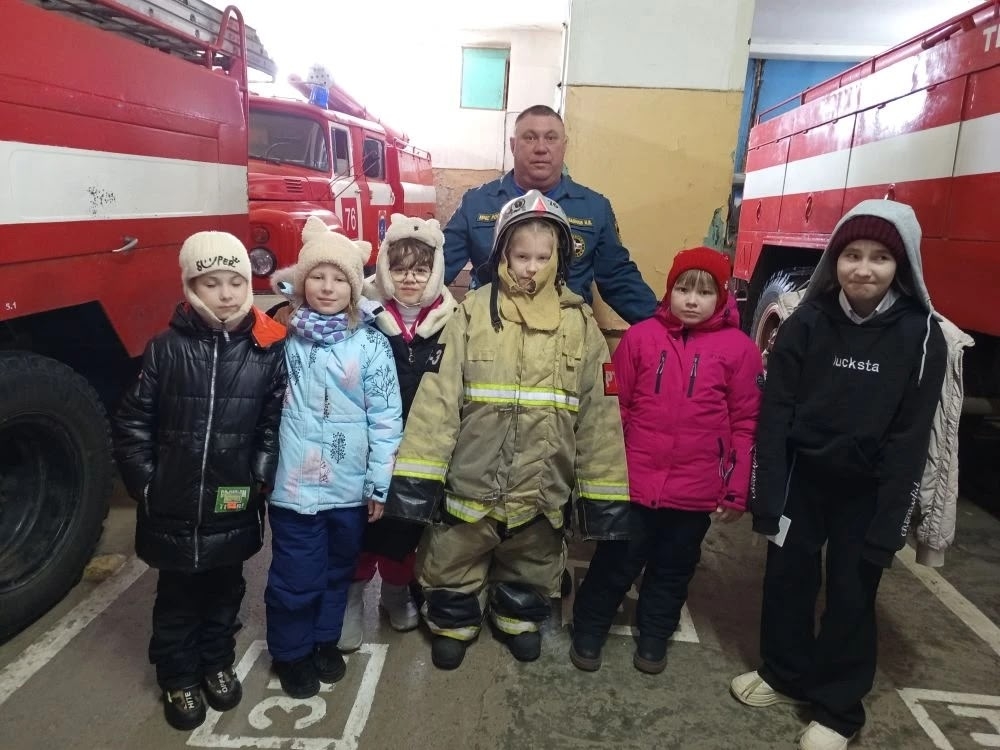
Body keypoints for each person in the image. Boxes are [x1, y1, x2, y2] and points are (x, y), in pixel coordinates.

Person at [730, 200, 947, 750]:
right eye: (852, 255)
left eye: (879, 258)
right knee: (788, 578)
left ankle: (837, 708)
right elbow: (776, 412)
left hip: (867, 490)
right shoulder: (807, 321)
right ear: (834, 259)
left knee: (853, 592)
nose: (863, 269)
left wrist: (891, 520)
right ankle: (784, 672)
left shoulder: (922, 335)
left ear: (902, 265)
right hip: (802, 479)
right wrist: (768, 492)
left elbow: (911, 436)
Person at [386, 190, 630, 670]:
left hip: (541, 490)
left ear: (559, 259)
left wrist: (603, 496)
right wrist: (417, 479)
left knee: (532, 559)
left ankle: (517, 615)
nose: (531, 268)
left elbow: (600, 418)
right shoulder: (472, 313)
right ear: (502, 254)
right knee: (453, 556)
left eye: (542, 257)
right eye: (521, 256)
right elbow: (438, 401)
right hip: (470, 484)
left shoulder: (581, 326)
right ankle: (453, 620)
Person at [112, 231, 287, 731]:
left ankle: (215, 663)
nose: (226, 294)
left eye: (235, 281)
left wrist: (258, 477)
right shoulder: (165, 350)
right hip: (173, 504)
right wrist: (147, 484)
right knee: (176, 598)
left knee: (225, 591)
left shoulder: (265, 350)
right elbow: (133, 422)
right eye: (212, 283)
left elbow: (271, 423)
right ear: (191, 287)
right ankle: (178, 676)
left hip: (233, 501)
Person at [570, 247, 762, 674]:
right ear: (669, 290)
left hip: (695, 491)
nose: (692, 300)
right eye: (683, 289)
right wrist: (604, 468)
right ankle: (590, 626)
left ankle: (655, 634)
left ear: (722, 296)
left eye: (704, 292)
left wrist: (735, 488)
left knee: (673, 569)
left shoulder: (740, 350)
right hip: (635, 483)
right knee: (615, 562)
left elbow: (746, 423)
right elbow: (615, 405)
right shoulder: (640, 338)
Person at [264, 217, 402, 699]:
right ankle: (291, 652)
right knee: (295, 576)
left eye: (339, 278)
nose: (327, 287)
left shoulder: (371, 344)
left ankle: (324, 641)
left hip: (348, 490)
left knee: (336, 571)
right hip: (293, 490)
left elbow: (386, 418)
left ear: (354, 286)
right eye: (317, 276)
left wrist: (378, 484)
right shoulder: (281, 338)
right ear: (301, 282)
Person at [337, 214, 458, 651]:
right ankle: (352, 598)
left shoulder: (452, 321)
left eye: (421, 269)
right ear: (385, 269)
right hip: (366, 448)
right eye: (400, 267)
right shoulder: (361, 314)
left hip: (420, 447)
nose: (410, 278)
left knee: (406, 528)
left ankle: (395, 591)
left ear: (436, 271)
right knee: (362, 526)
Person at [442, 104, 657, 324]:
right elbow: (438, 268)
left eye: (551, 138)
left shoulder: (594, 208)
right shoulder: (477, 203)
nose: (541, 148)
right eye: (530, 138)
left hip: (565, 334)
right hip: (491, 329)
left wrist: (663, 325)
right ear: (513, 145)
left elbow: (618, 279)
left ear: (564, 146)